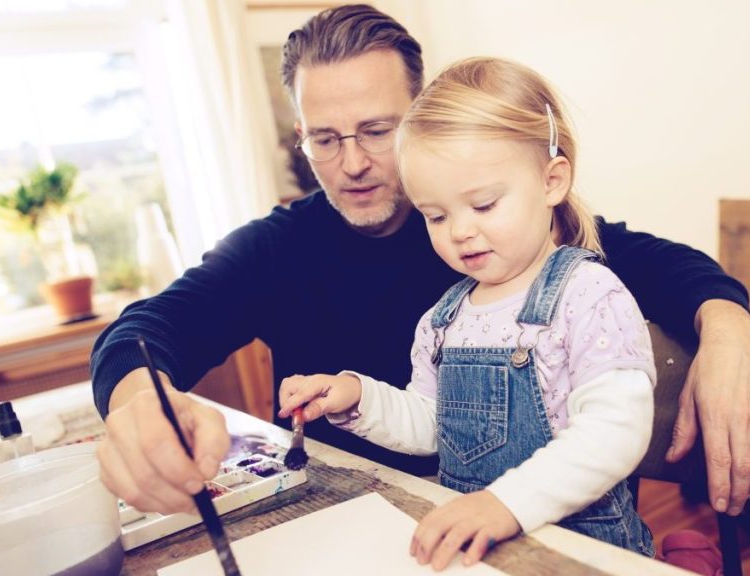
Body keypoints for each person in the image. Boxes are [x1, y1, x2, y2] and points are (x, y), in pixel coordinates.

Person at [91, 4, 750, 519]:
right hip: (367, 525)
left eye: (376, 130)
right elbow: (146, 329)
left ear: (421, 117)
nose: (353, 163)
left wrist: (730, 327)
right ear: (299, 136)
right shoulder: (274, 249)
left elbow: (666, 267)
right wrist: (139, 404)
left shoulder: (526, 238)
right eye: (325, 140)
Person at [278, 56, 658, 568]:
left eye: (482, 206)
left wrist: (506, 504)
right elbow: (433, 426)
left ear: (552, 181)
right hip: (479, 551)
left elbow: (616, 432)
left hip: (580, 553)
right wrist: (357, 398)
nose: (458, 231)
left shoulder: (589, 294)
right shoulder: (444, 319)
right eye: (436, 215)